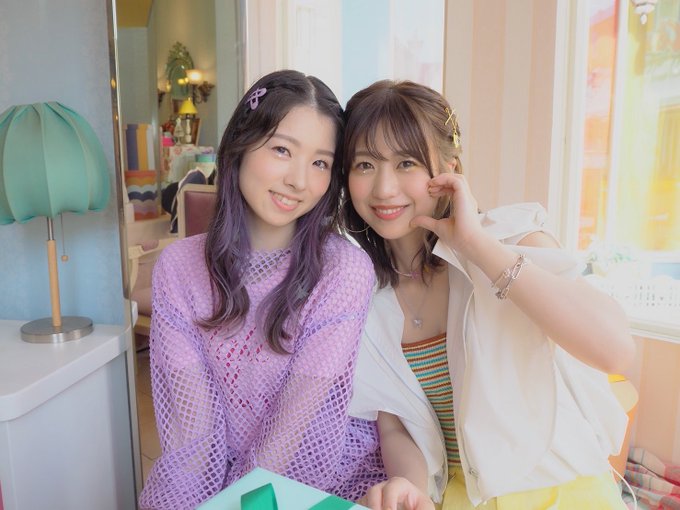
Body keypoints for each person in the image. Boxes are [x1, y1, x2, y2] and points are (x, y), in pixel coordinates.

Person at [342, 80, 636, 509]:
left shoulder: (511, 238)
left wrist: (476, 246)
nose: (384, 188)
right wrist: (411, 488)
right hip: (459, 498)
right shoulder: (363, 290)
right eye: (365, 164)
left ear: (448, 168)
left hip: (561, 491)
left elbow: (615, 350)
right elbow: (397, 422)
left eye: (406, 162)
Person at [139, 70, 386, 510]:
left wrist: (234, 502)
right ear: (241, 144)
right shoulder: (177, 269)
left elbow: (291, 432)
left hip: (318, 475)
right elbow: (193, 437)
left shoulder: (343, 271)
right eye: (282, 150)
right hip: (218, 471)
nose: (299, 181)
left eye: (320, 163)